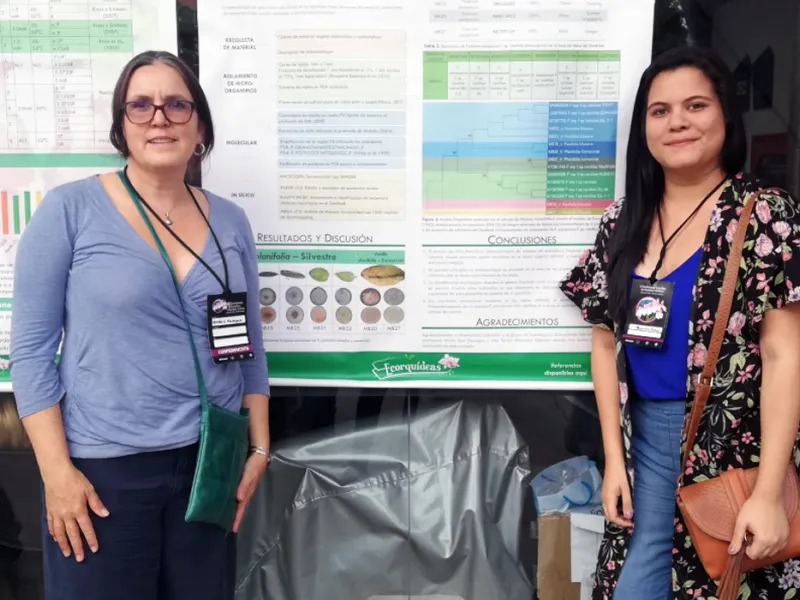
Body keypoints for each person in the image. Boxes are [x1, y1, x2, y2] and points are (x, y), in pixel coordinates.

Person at [9, 50, 271, 599]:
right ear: (121, 125)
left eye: (177, 104)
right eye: (141, 105)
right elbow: (31, 354)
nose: (159, 118)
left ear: (200, 127)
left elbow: (246, 344)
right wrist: (56, 474)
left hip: (209, 461)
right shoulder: (69, 210)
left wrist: (258, 448)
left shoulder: (229, 220)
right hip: (103, 471)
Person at [560, 45, 800, 599]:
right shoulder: (622, 220)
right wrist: (614, 461)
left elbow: (784, 355)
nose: (678, 122)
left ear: (725, 114)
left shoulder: (766, 213)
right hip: (646, 439)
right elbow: (604, 343)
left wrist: (768, 493)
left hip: (735, 447)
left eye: (696, 105)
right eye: (660, 110)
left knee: (728, 583)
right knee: (636, 582)